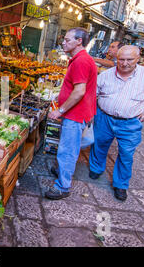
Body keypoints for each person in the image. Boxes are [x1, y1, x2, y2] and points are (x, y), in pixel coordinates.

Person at [89, 45, 144, 201]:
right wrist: (91, 112)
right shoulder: (106, 75)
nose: (125, 63)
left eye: (129, 59)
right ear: (116, 59)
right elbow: (92, 94)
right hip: (104, 117)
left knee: (126, 154)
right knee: (99, 144)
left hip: (130, 122)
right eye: (121, 59)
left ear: (138, 59)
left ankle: (121, 184)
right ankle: (96, 168)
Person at [45, 27, 98, 200]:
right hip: (78, 114)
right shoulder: (80, 59)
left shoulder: (81, 61)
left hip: (75, 116)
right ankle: (61, 170)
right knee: (69, 147)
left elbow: (79, 92)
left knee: (67, 150)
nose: (63, 42)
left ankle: (63, 187)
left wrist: (59, 111)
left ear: (79, 41)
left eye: (67, 40)